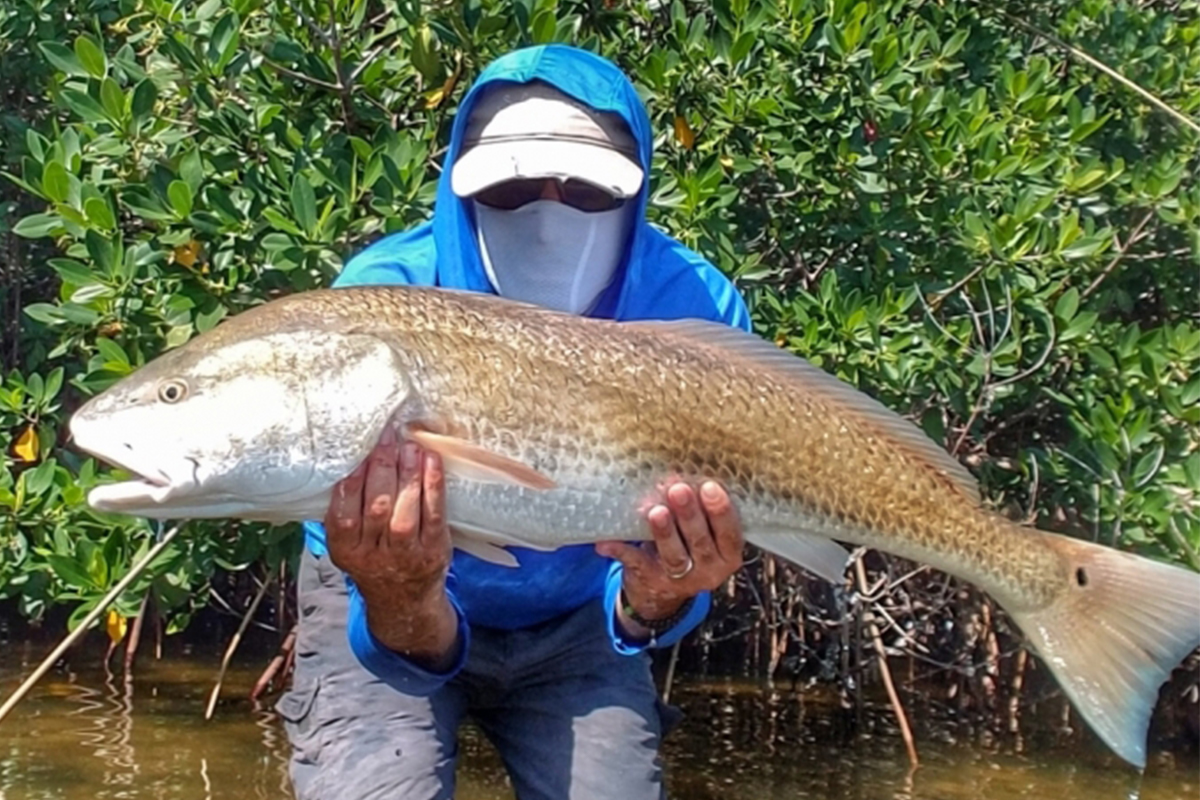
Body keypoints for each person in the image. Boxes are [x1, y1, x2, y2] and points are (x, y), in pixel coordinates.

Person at [278, 44, 752, 800]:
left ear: (637, 191)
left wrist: (660, 594)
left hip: (580, 617)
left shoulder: (691, 303)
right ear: (460, 189)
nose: (547, 210)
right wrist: (401, 590)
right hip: (379, 595)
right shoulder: (380, 298)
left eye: (587, 191)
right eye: (511, 187)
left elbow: (652, 602)